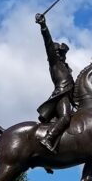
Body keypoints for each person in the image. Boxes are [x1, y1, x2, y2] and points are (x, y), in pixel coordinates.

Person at [35, 13, 74, 153]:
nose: (60, 55)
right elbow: (49, 44)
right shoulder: (55, 63)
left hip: (68, 97)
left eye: (62, 53)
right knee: (65, 117)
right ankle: (48, 138)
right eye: (58, 52)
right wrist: (44, 27)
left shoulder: (67, 68)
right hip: (60, 95)